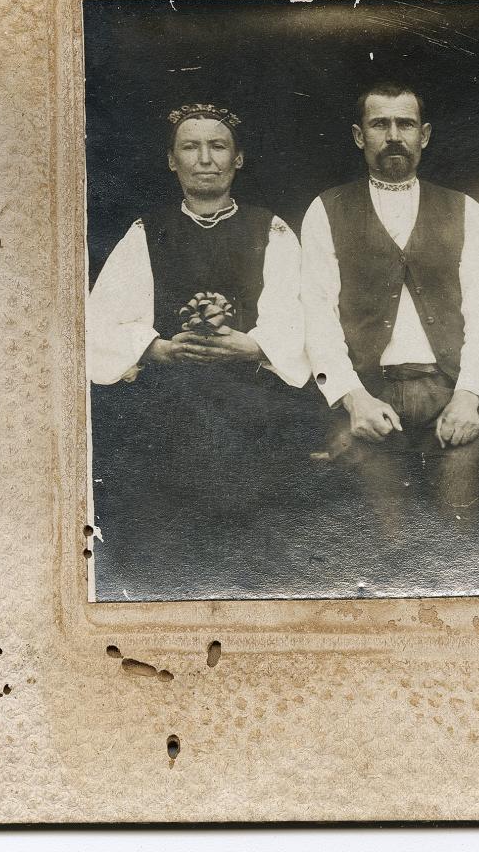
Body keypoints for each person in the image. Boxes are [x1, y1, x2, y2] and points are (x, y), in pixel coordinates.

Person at [86, 103, 314, 599]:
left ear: (238, 159)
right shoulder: (148, 231)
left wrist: (252, 346)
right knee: (162, 527)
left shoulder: (269, 229)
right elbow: (101, 318)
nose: (205, 158)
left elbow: (297, 314)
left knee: (254, 536)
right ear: (172, 160)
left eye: (218, 146)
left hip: (252, 404)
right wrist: (157, 349)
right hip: (170, 399)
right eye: (191, 147)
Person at [300, 81, 479, 548]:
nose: (394, 135)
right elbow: (317, 316)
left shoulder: (465, 210)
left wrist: (469, 397)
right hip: (369, 397)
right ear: (358, 135)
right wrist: (353, 399)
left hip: (449, 394)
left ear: (424, 135)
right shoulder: (326, 209)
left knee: (457, 540)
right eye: (379, 124)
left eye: (405, 124)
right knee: (385, 542)